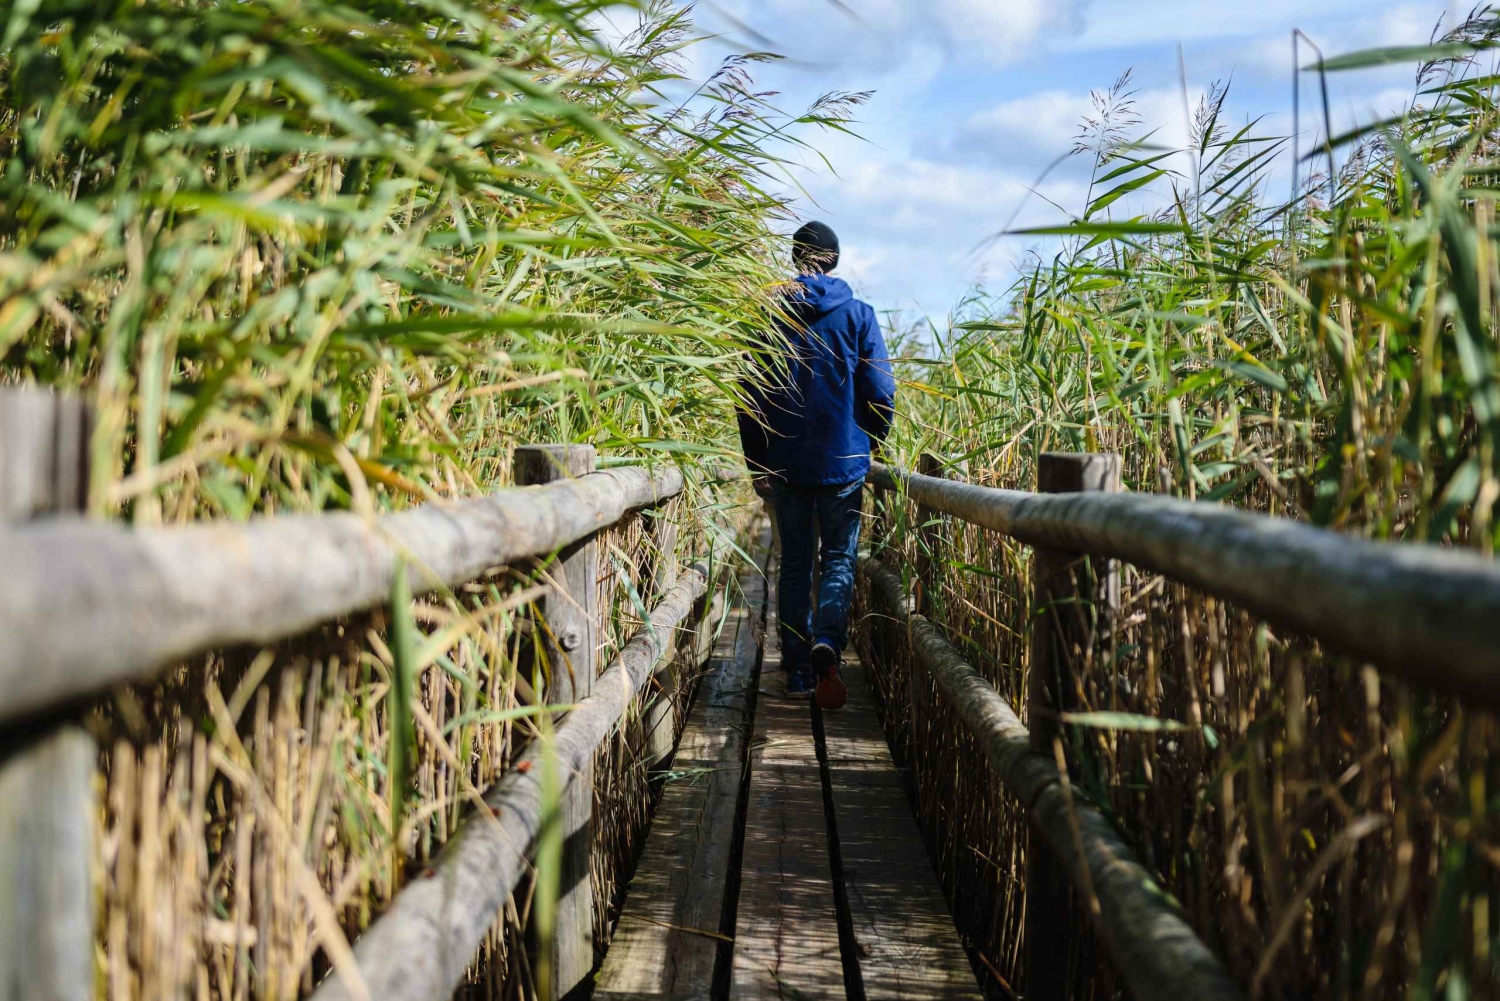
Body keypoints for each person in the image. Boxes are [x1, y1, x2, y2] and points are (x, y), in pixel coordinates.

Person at [737, 221, 895, 710]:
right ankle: (828, 639)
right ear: (835, 259)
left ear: (795, 258)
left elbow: (748, 395)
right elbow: (882, 391)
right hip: (844, 463)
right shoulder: (858, 315)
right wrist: (872, 440)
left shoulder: (767, 317)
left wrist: (756, 461)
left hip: (785, 464)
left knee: (793, 565)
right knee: (839, 560)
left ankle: (799, 670)